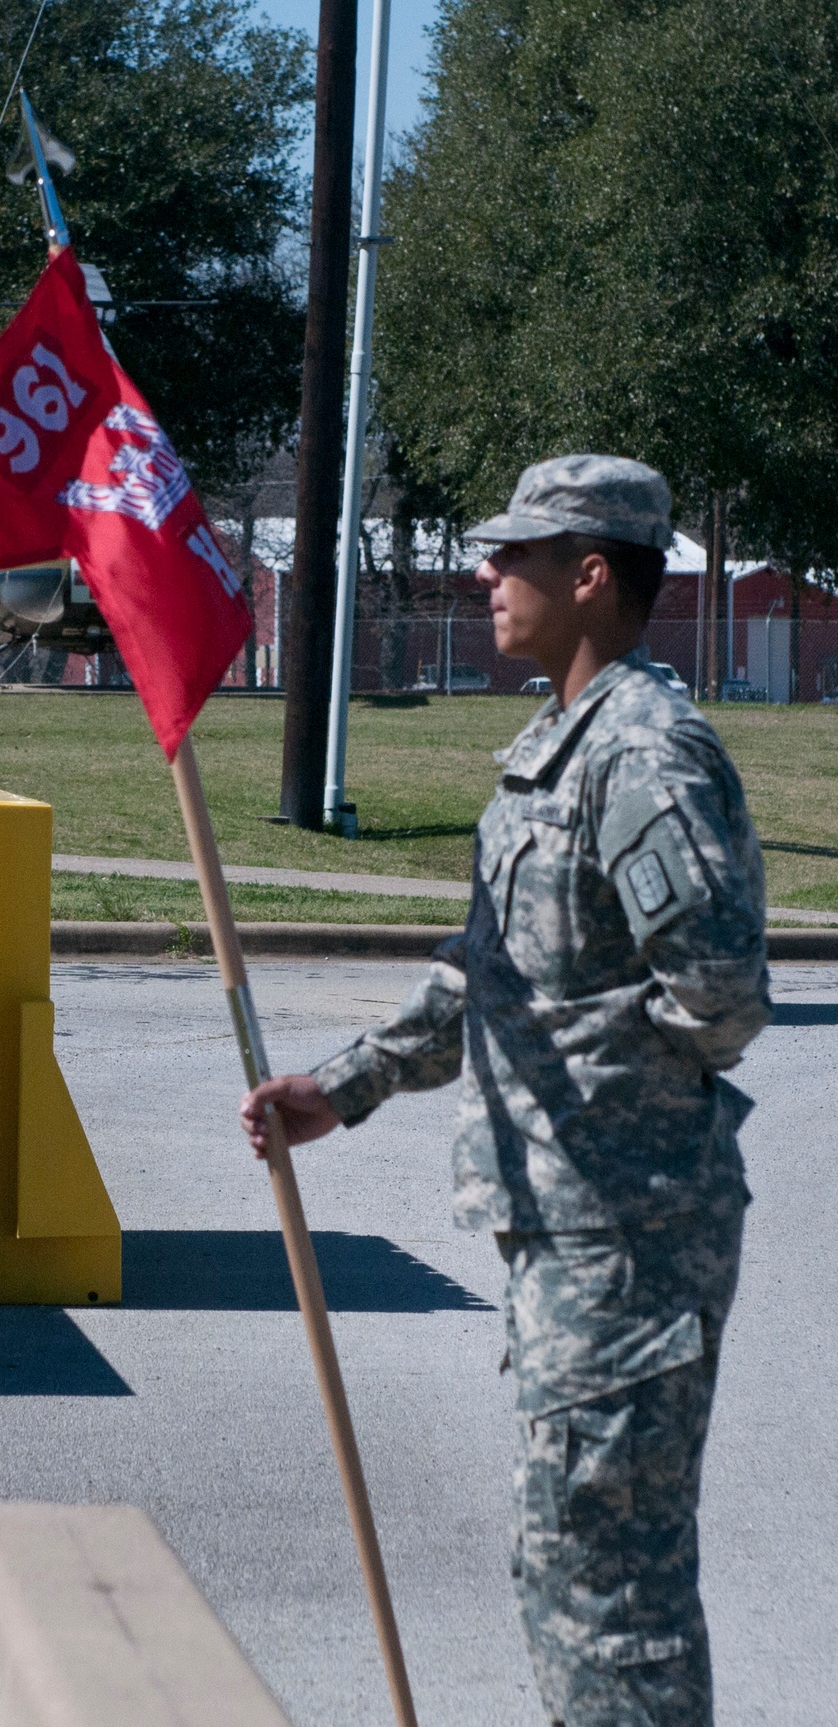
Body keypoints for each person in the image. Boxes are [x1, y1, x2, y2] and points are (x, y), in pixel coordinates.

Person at [240, 453, 771, 1727]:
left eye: (515, 556)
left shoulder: (642, 751)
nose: (486, 575)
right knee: (566, 1563)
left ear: (592, 576)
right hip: (571, 1229)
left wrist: (601, 1090)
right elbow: (491, 977)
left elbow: (721, 989)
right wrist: (344, 1086)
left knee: (611, 1597)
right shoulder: (552, 749)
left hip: (628, 1233)